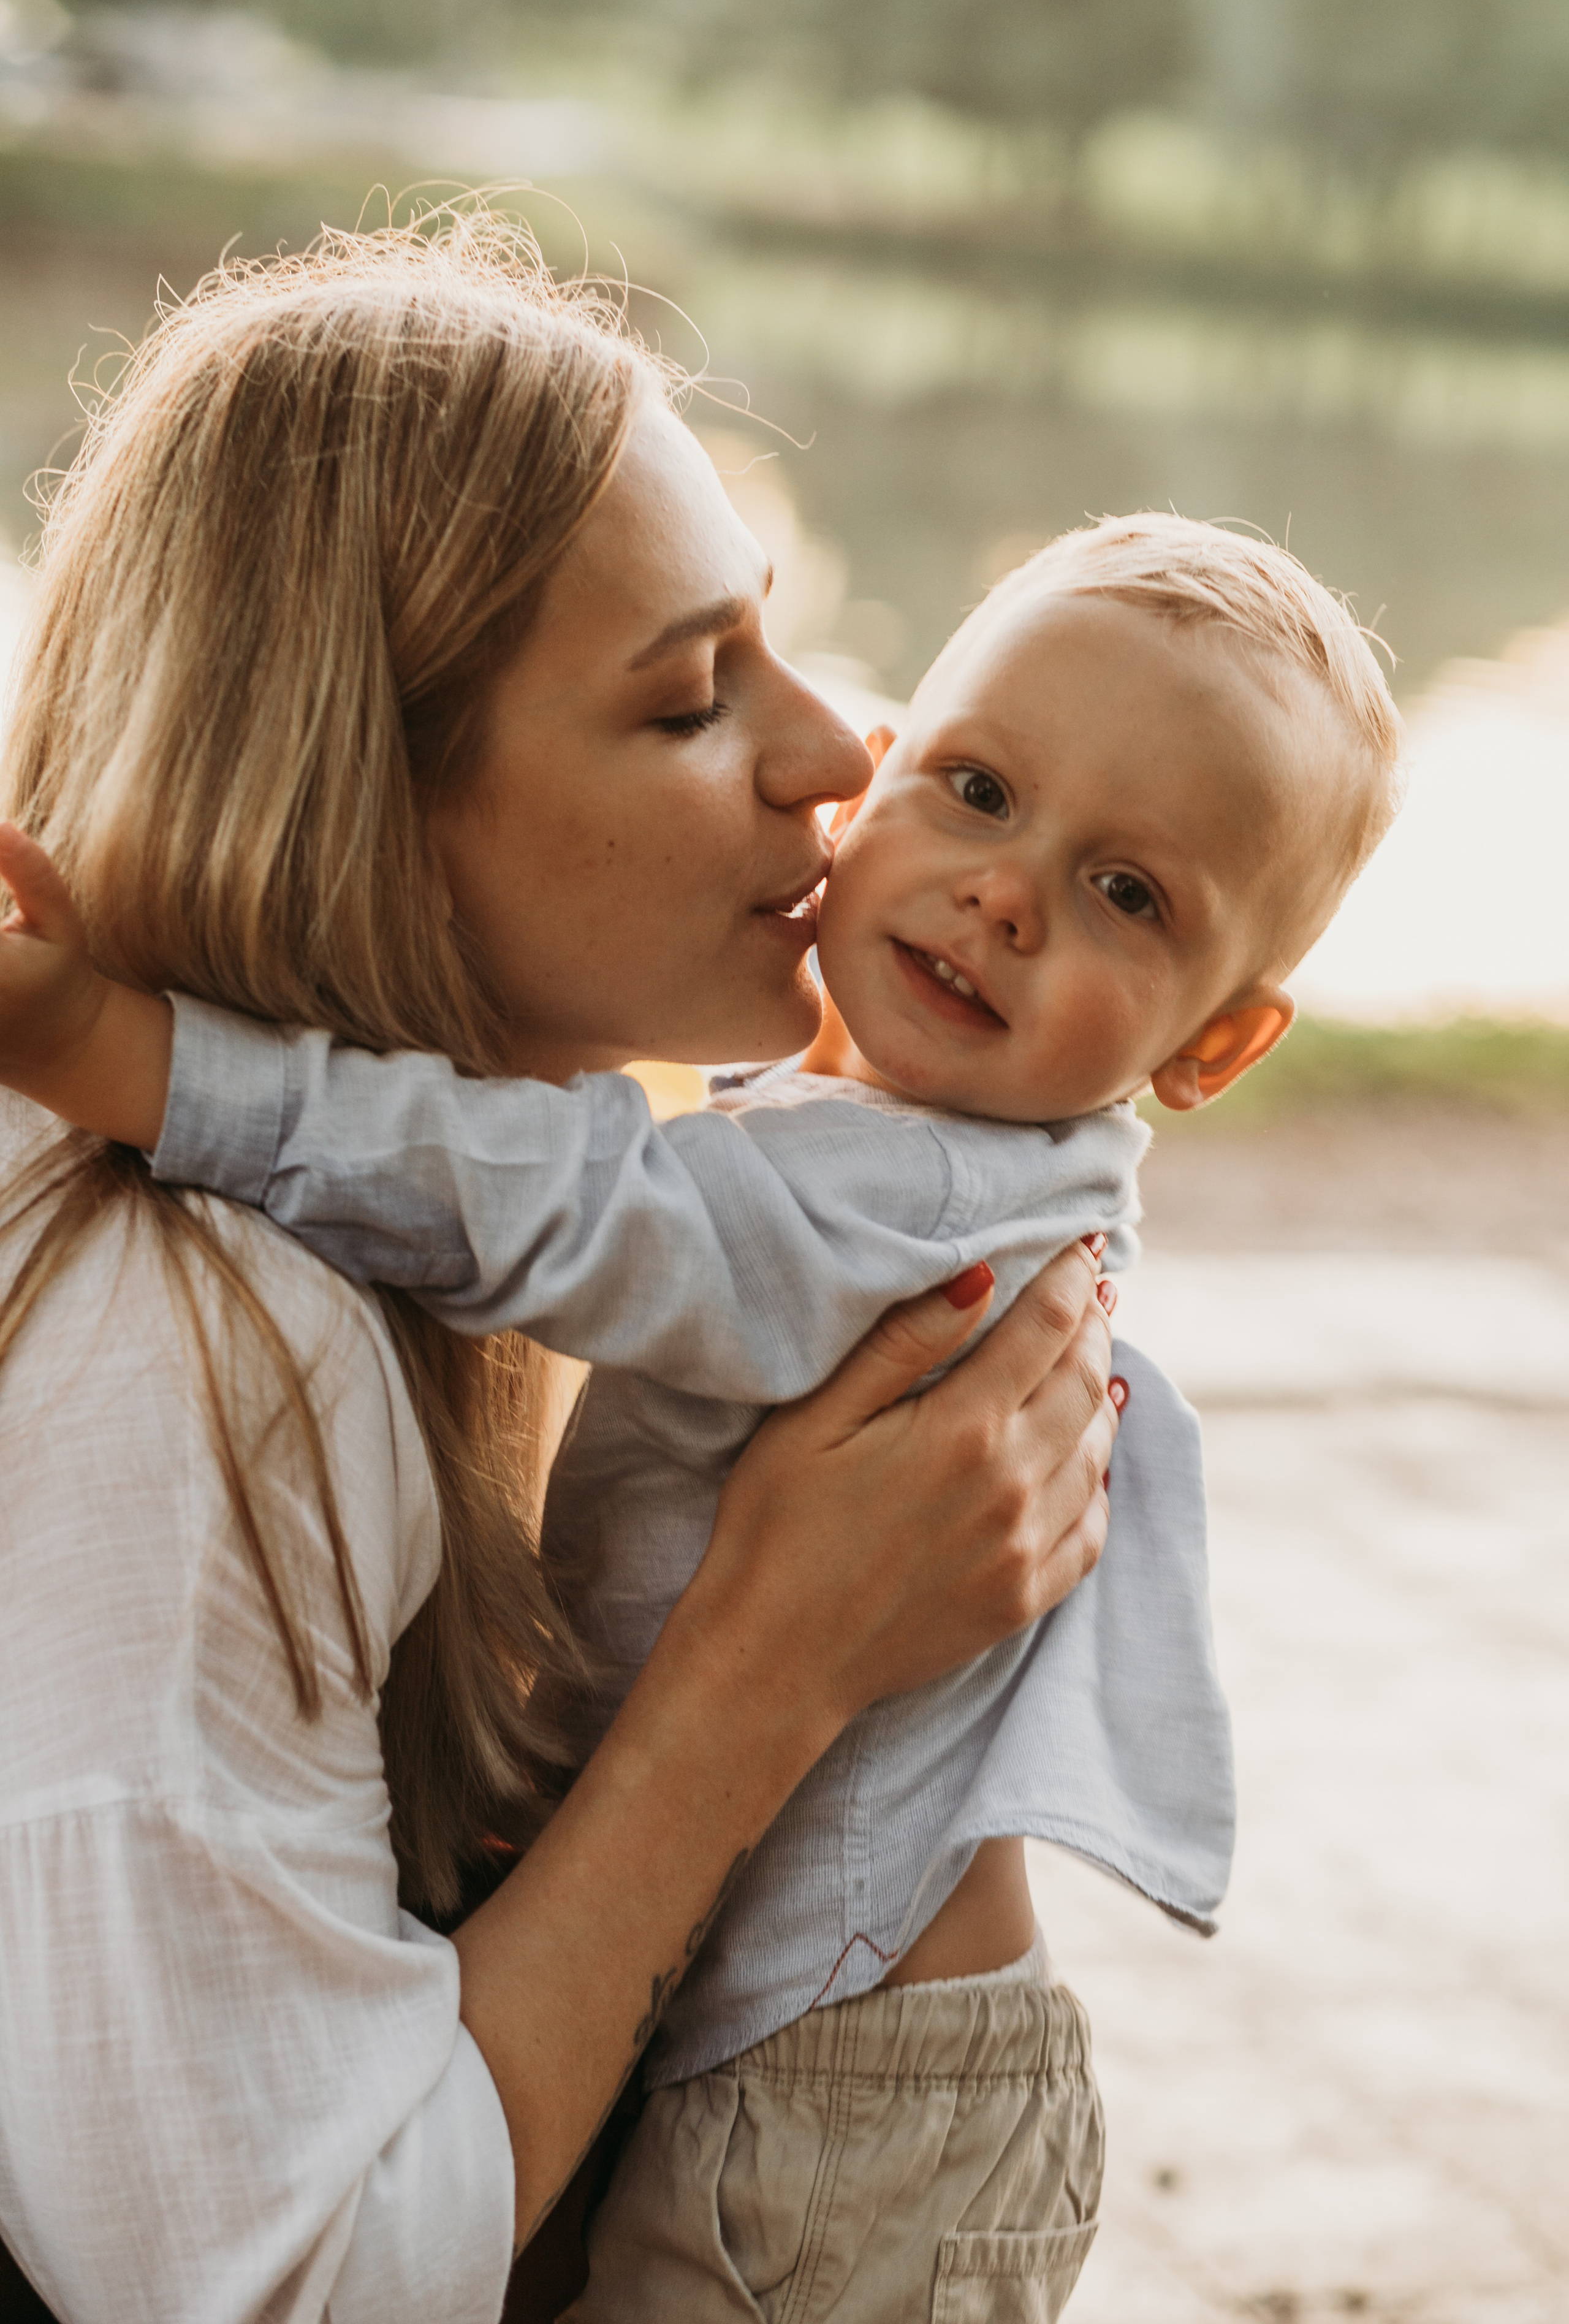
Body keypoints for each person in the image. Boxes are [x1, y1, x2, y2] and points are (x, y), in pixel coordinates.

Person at [1, 497, 1403, 2317]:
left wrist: (130, 1057)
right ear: (890, 780)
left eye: (1128, 896)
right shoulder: (866, 1135)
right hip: (820, 2033)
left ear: (1214, 1046)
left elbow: (558, 1202)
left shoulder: (915, 1200)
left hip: (840, 2097)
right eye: (978, 792)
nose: (1006, 891)